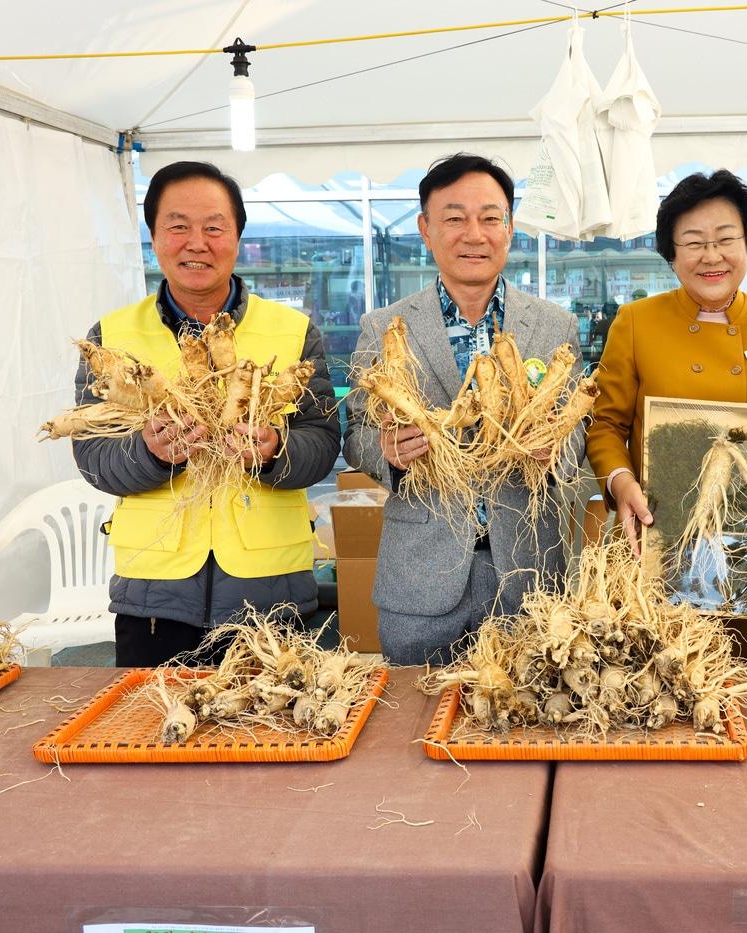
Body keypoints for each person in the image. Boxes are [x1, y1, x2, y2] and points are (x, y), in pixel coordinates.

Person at [72, 161, 341, 666]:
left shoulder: (293, 332)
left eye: (214, 227)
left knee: (274, 737)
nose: (197, 242)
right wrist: (148, 453)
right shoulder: (110, 338)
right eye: (178, 226)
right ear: (154, 236)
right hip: (154, 594)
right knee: (154, 735)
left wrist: (276, 450)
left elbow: (323, 443)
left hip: (269, 589)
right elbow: (91, 455)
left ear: (237, 236)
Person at [343, 153, 583, 665]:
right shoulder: (383, 326)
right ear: (426, 230)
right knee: (416, 724)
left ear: (510, 229)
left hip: (528, 571)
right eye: (454, 218)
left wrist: (556, 449)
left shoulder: (552, 326)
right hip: (421, 579)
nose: (474, 234)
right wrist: (386, 449)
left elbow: (577, 430)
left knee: (529, 727)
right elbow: (359, 431)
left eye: (490, 218)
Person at [586, 169, 747, 664]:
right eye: (693, 242)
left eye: (725, 240)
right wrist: (620, 481)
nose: (711, 256)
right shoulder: (636, 323)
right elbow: (605, 425)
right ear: (671, 254)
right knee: (656, 687)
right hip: (659, 543)